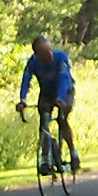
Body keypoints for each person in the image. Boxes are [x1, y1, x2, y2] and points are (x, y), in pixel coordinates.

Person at [15, 34, 77, 170]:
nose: (49, 54)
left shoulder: (61, 58)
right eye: (45, 52)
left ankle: (73, 152)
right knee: (44, 122)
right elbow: (26, 80)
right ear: (37, 55)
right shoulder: (33, 63)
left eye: (50, 50)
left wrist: (60, 98)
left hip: (66, 91)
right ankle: (45, 158)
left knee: (62, 120)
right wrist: (22, 100)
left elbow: (64, 78)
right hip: (47, 93)